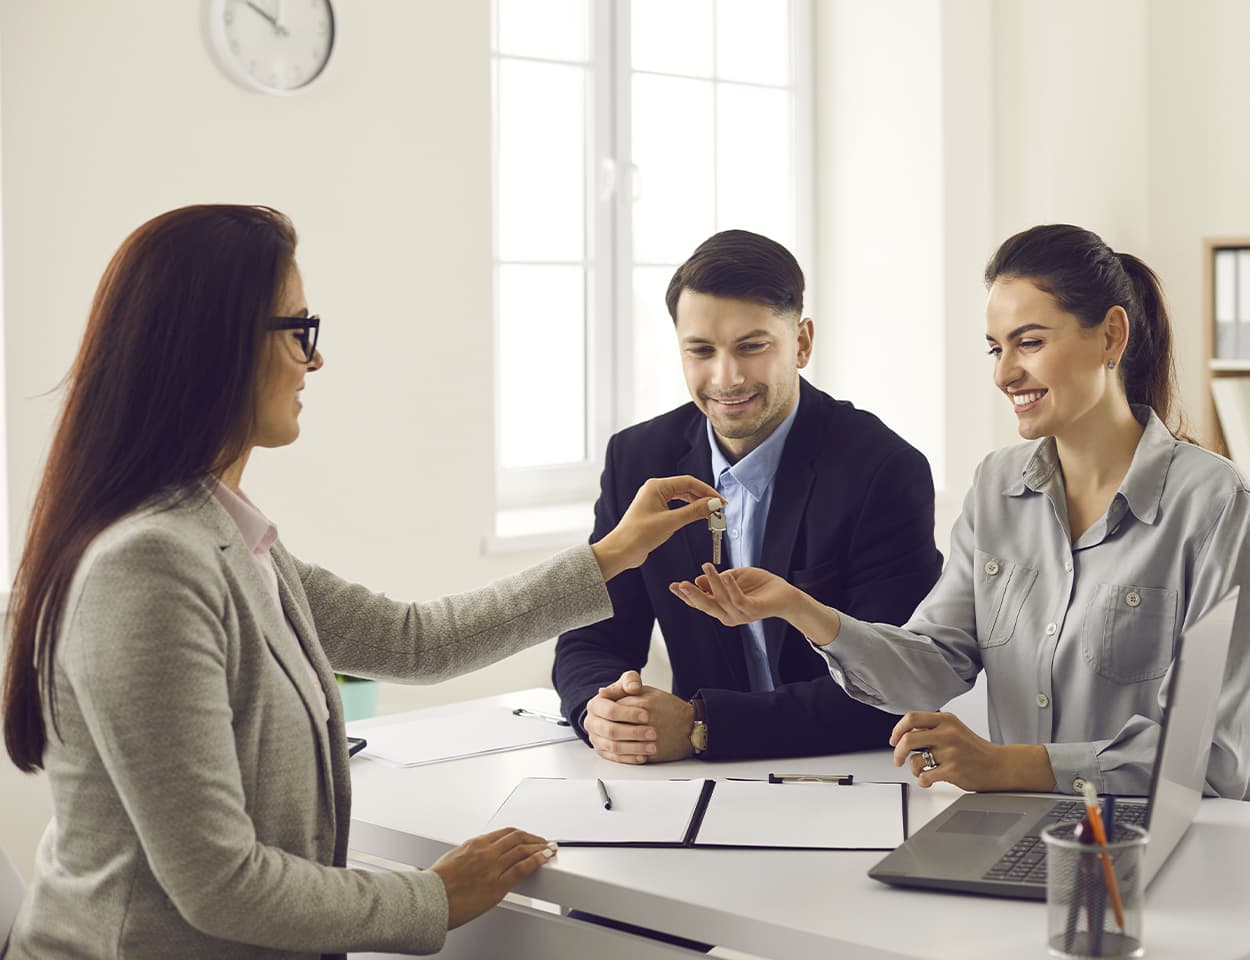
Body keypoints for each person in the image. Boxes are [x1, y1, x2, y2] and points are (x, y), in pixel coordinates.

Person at [0, 204, 722, 959]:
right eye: (299, 331)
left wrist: (613, 553)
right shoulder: (148, 566)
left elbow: (415, 643)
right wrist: (434, 898)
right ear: (218, 348)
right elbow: (219, 884)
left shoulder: (228, 536)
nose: (315, 362)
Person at [674, 223, 1250, 800]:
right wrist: (798, 608)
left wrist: (1008, 767)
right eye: (996, 348)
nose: (1004, 374)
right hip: (1012, 833)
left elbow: (1217, 756)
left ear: (1111, 337)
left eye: (1029, 343)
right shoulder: (997, 486)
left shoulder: (1214, 502)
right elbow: (930, 664)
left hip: (1158, 852)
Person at [553, 229, 943, 763]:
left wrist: (701, 727)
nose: (726, 377)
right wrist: (601, 713)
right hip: (688, 782)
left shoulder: (883, 470)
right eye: (701, 351)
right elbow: (590, 639)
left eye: (752, 347)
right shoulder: (638, 459)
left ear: (802, 343)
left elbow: (894, 689)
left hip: (846, 777)